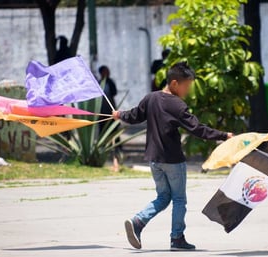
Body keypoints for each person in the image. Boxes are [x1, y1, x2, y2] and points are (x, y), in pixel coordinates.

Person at [112, 62, 233, 251]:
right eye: (187, 86)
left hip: (154, 159)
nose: (188, 90)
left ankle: (138, 221)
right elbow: (198, 129)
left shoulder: (150, 98)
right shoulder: (177, 105)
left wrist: (119, 114)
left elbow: (134, 115)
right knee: (178, 199)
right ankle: (177, 238)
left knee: (163, 197)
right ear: (175, 83)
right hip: (173, 160)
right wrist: (223, 135)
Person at [99, 65, 120, 171]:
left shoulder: (110, 83)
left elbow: (114, 93)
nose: (108, 73)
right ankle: (103, 151)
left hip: (111, 112)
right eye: (106, 71)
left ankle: (117, 149)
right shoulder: (98, 84)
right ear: (102, 73)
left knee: (114, 131)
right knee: (102, 132)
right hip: (102, 113)